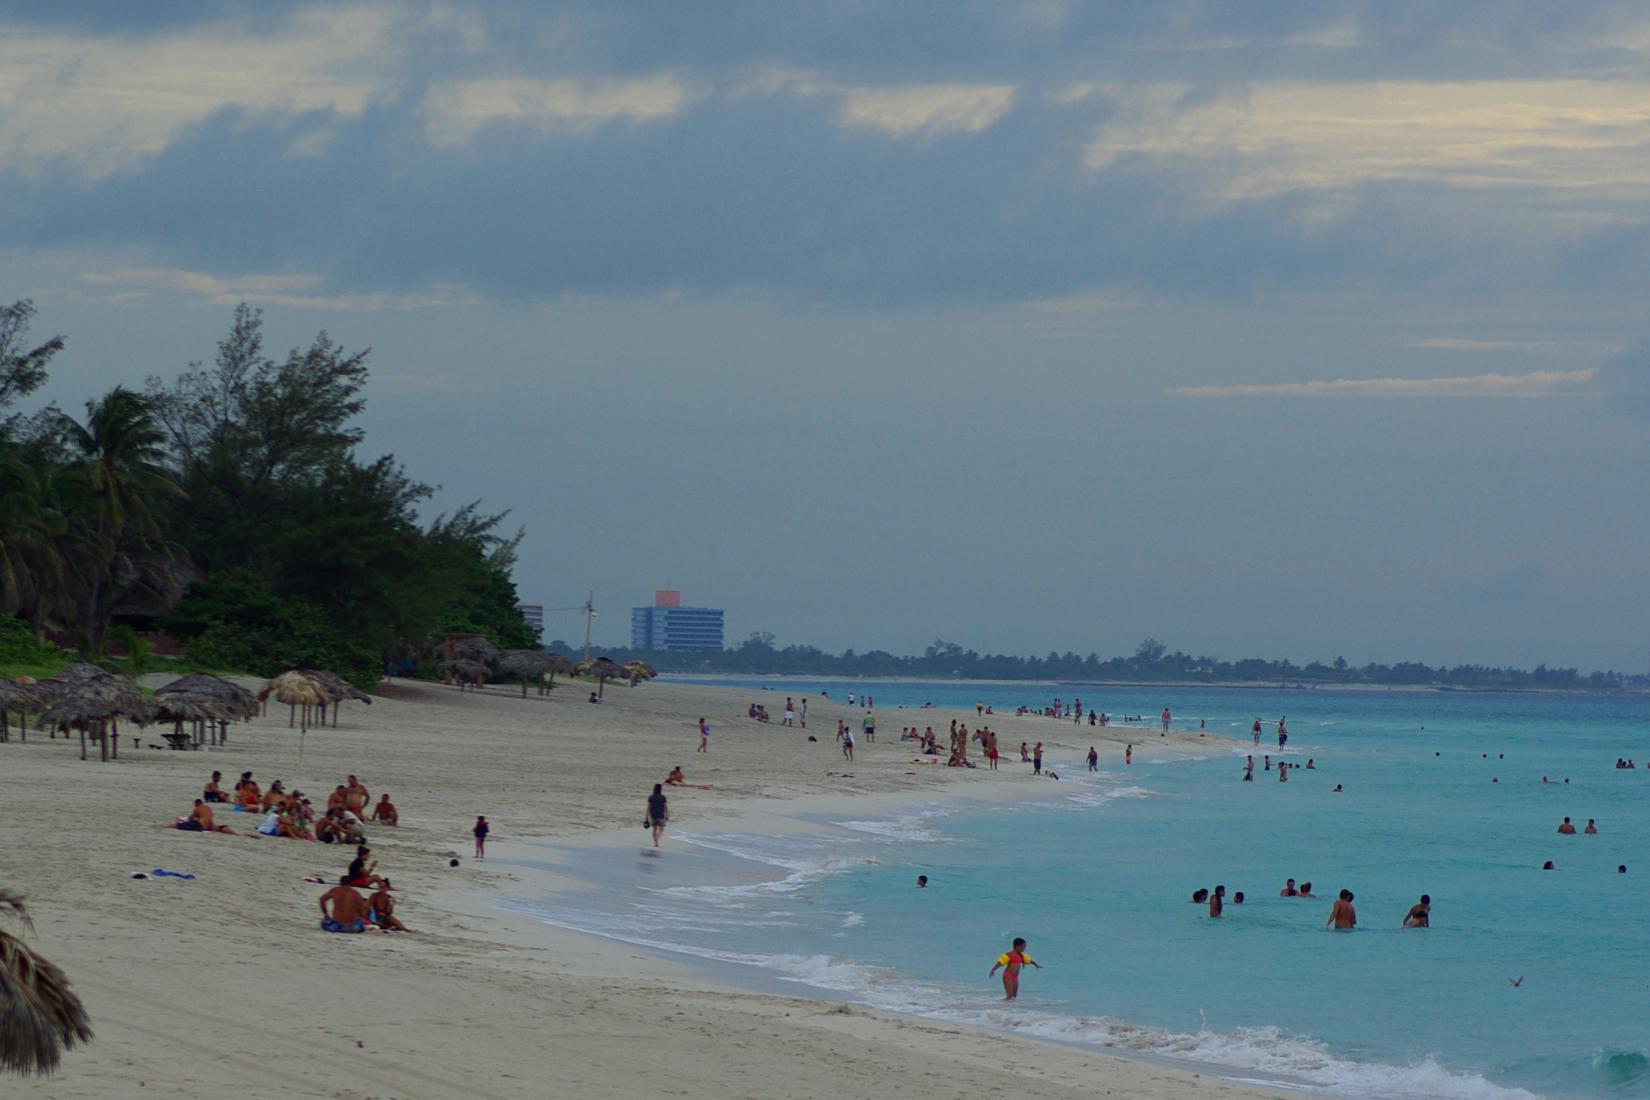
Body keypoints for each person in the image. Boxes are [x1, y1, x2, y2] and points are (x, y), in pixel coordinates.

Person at [646, 783, 669, 848]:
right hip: (660, 815)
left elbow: (648, 807)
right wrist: (667, 815)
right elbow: (665, 807)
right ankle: (657, 839)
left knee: (654, 829)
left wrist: (646, 817)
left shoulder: (651, 797)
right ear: (660, 789)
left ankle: (656, 843)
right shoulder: (663, 797)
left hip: (653, 815)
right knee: (661, 830)